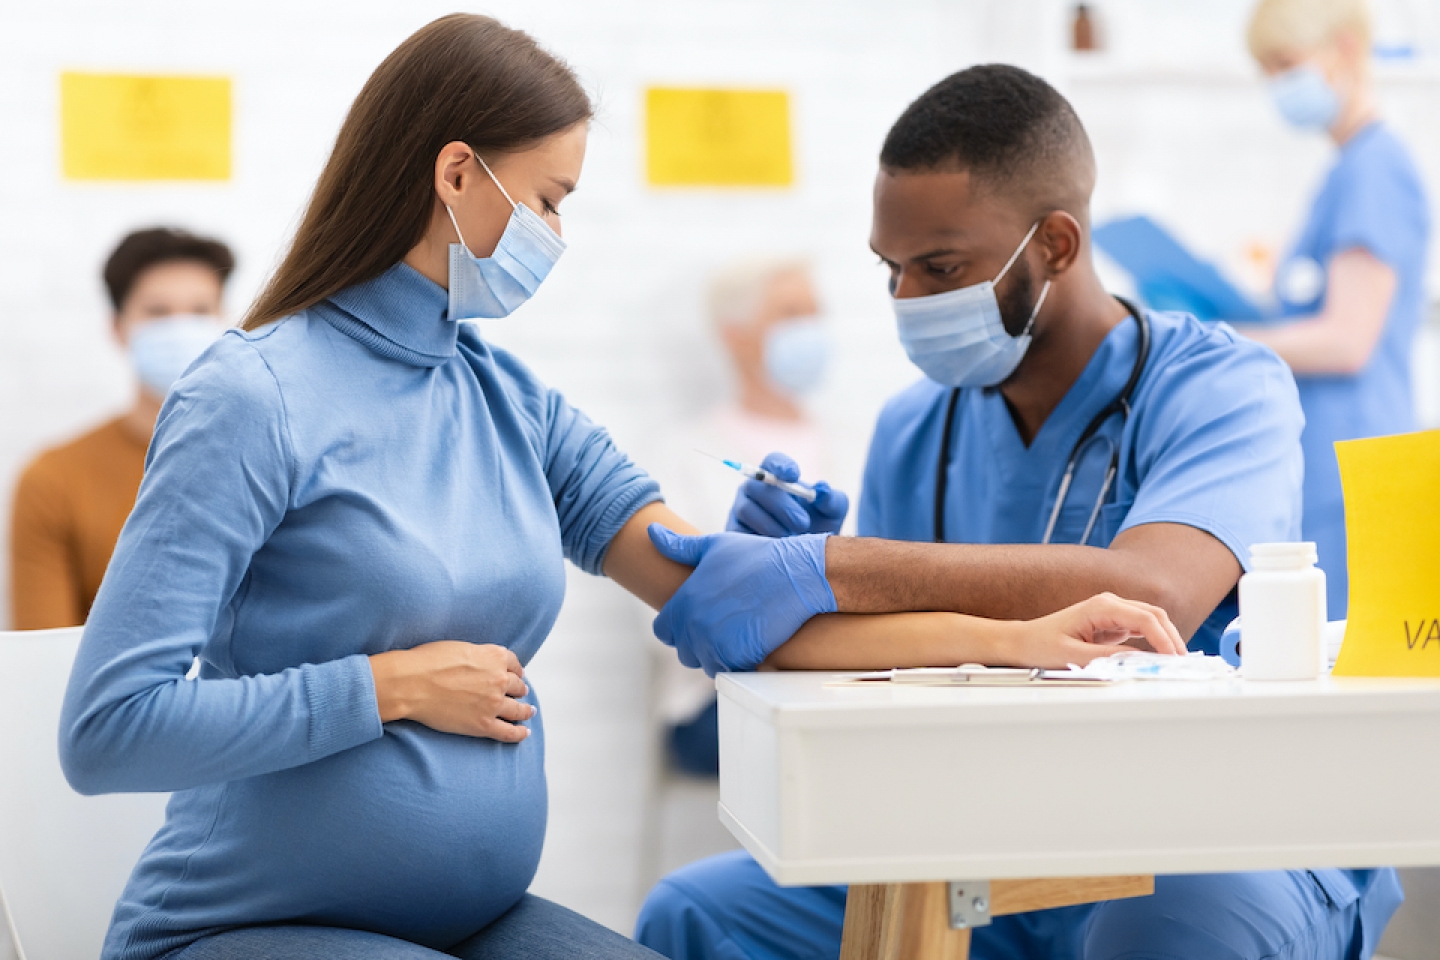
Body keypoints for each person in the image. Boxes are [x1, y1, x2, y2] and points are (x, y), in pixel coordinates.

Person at [57, 19, 1173, 960]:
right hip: (249, 927)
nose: (556, 235)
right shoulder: (254, 396)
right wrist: (386, 688)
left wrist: (1027, 637)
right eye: (548, 199)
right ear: (456, 175)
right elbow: (108, 729)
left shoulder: (508, 400)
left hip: (472, 919)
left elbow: (739, 610)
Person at [634, 65, 1401, 960]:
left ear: (1058, 245)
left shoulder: (1221, 386)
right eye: (892, 270)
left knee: (1160, 931)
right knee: (696, 914)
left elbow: (1157, 592)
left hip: (1219, 830)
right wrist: (806, 591)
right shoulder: (917, 426)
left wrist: (838, 569)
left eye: (942, 267)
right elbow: (886, 678)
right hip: (997, 825)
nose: (906, 302)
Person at [1227, 0, 1430, 620]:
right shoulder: (1346, 171)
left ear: (1344, 47)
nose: (1277, 85)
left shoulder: (1375, 172)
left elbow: (1347, 339)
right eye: (1267, 70)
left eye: (1286, 64)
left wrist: (1229, 337)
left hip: (1356, 471)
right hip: (1328, 465)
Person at [654, 257, 832, 775]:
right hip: (718, 696)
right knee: (841, 752)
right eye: (790, 314)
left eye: (816, 313)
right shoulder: (682, 456)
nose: (811, 330)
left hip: (843, 681)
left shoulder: (858, 440)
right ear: (735, 335)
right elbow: (663, 612)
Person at [9, 228, 232, 629]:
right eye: (158, 312)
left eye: (200, 311)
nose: (180, 329)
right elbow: (43, 659)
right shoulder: (53, 479)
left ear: (224, 322)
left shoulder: (273, 458)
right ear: (118, 327)